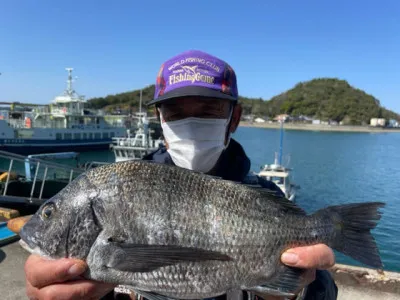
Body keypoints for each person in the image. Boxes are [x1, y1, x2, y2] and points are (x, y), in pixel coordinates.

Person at [24, 50, 337, 300]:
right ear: (160, 120)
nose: (191, 123)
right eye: (175, 112)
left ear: (234, 118)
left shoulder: (265, 196)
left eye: (208, 109)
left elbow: (320, 287)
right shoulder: (120, 189)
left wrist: (302, 287)